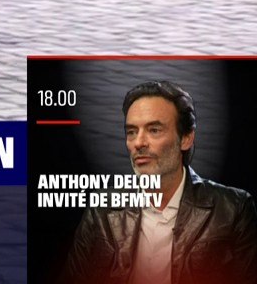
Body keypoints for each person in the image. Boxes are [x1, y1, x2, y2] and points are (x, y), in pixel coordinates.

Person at [62, 81, 257, 284]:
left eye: (154, 130)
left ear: (186, 138)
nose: (138, 143)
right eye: (131, 132)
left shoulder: (233, 210)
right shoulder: (102, 209)